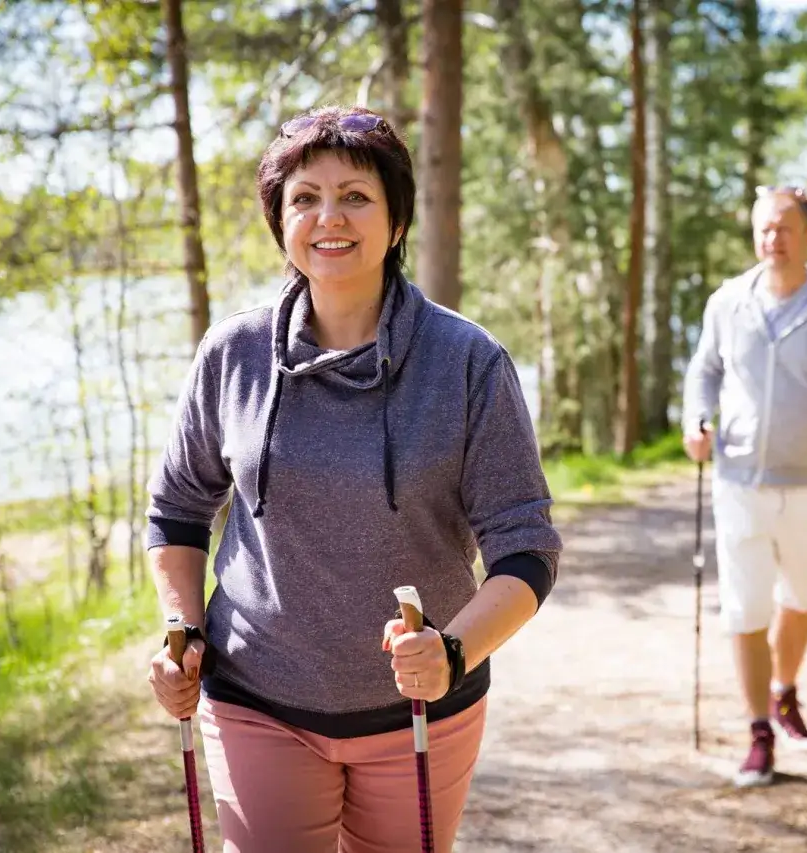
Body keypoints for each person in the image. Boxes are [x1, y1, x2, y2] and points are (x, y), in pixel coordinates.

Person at [144, 105, 562, 852]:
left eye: (356, 196)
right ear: (281, 219)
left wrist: (454, 652)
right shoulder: (230, 353)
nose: (328, 217)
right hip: (256, 699)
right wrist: (184, 630)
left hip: (422, 713)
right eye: (305, 197)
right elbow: (177, 511)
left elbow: (526, 547)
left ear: (397, 222)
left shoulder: (467, 362)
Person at [681, 185, 807, 787]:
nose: (773, 239)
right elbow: (704, 372)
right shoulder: (728, 302)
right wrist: (696, 420)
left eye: (785, 229)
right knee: (744, 607)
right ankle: (758, 731)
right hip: (737, 476)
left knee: (799, 600)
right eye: (764, 229)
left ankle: (784, 691)